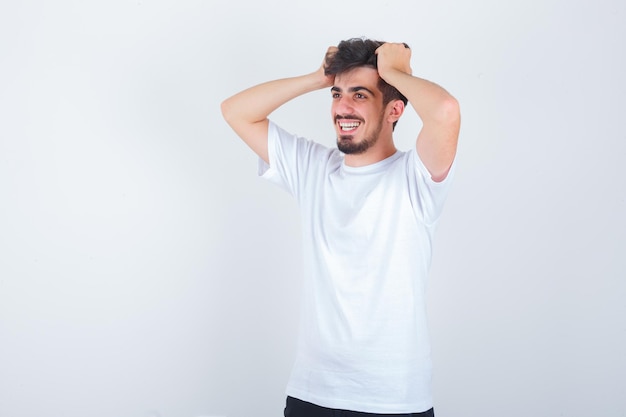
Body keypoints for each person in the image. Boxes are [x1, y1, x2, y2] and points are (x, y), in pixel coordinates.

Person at [221, 38, 460, 417]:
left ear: (394, 110)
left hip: (394, 400)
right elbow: (235, 111)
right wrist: (318, 77)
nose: (342, 108)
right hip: (312, 394)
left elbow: (446, 111)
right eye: (337, 94)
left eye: (360, 95)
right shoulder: (314, 168)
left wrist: (394, 72)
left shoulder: (416, 176)